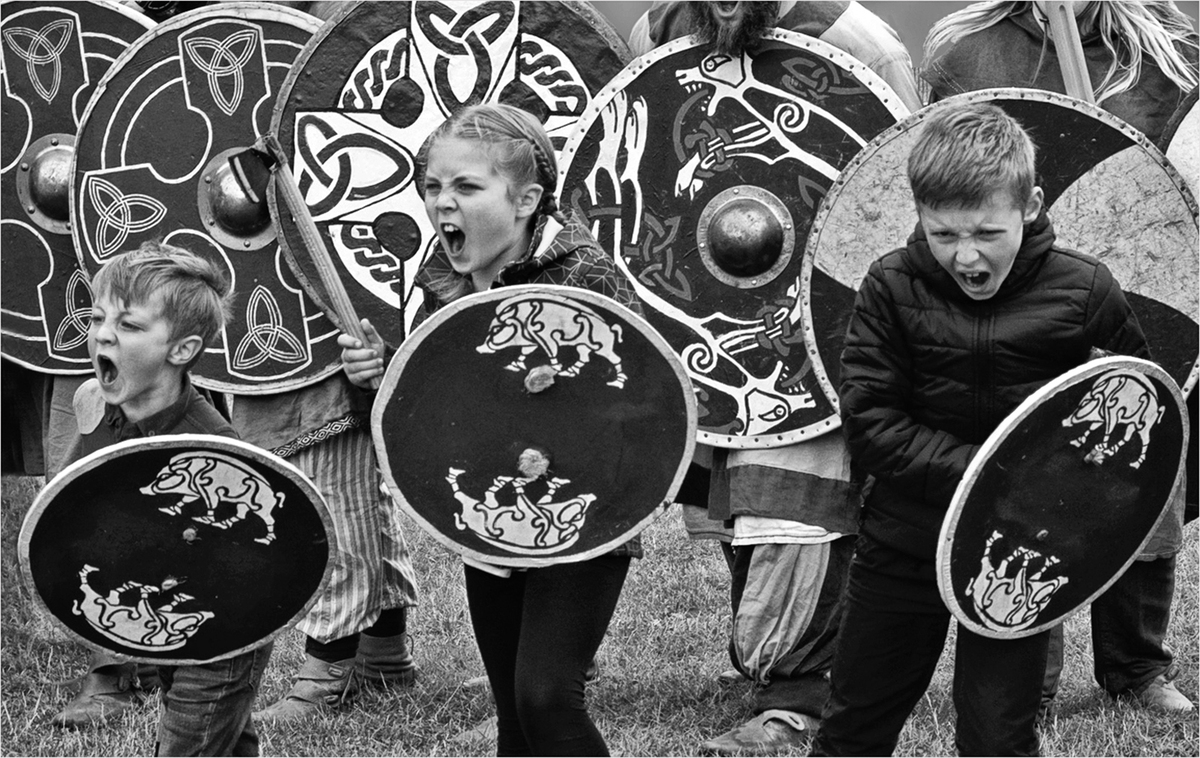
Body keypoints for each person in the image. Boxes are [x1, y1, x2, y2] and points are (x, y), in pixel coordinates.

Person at [812, 101, 1151, 756]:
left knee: (999, 739)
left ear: (1030, 205)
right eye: (943, 235)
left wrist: (1071, 492)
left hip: (1018, 554)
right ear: (919, 215)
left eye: (986, 233)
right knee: (853, 730)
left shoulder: (1085, 293)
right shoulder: (889, 286)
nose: (965, 255)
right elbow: (872, 423)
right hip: (905, 541)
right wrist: (988, 472)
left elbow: (1130, 422)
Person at [627, 3, 920, 753]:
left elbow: (898, 193)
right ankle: (765, 656)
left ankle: (800, 692)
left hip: (819, 320)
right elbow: (638, 182)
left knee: (801, 503)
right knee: (736, 488)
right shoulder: (658, 34)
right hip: (701, 299)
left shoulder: (858, 45)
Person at [921, 0, 1198, 716]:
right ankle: (1026, 670)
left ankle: (1136, 665)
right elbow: (936, 182)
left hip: (1139, 282)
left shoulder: (1175, 53)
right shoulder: (966, 49)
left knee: (1141, 460)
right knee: (1023, 472)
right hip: (1011, 291)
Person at [340, 103, 641, 756]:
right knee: (512, 709)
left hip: (581, 514)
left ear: (528, 198)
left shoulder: (584, 277)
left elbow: (637, 407)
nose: (443, 203)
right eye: (433, 186)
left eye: (467, 187)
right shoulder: (444, 279)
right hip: (491, 512)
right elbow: (423, 421)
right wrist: (379, 380)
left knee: (545, 695)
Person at [50, 241, 272, 755]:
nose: (103, 333)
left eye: (129, 326)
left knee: (187, 740)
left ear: (181, 350)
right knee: (228, 742)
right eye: (98, 316)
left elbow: (253, 563)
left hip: (225, 624)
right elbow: (76, 506)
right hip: (167, 607)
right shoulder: (95, 404)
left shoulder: (211, 453)